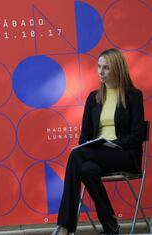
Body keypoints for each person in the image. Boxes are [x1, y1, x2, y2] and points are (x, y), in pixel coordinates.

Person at [52, 48, 145, 235]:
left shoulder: (133, 96)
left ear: (117, 69)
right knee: (86, 169)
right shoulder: (94, 98)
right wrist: (95, 145)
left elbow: (137, 135)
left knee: (76, 154)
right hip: (98, 155)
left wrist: (116, 143)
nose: (100, 72)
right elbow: (85, 136)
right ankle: (111, 226)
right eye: (99, 67)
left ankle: (65, 226)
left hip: (125, 155)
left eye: (106, 68)